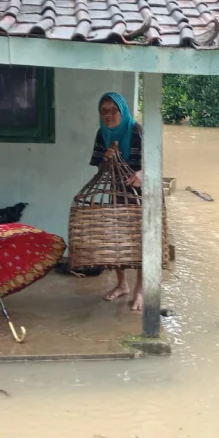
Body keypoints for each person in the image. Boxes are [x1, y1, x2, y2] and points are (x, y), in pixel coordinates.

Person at [90, 92, 145, 311]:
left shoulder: (137, 131)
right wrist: (106, 161)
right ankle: (122, 284)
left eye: (114, 110)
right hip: (117, 192)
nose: (109, 115)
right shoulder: (101, 134)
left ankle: (140, 289)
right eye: (104, 111)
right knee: (116, 239)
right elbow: (100, 171)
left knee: (140, 240)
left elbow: (155, 161)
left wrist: (141, 173)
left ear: (122, 111)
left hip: (141, 195)